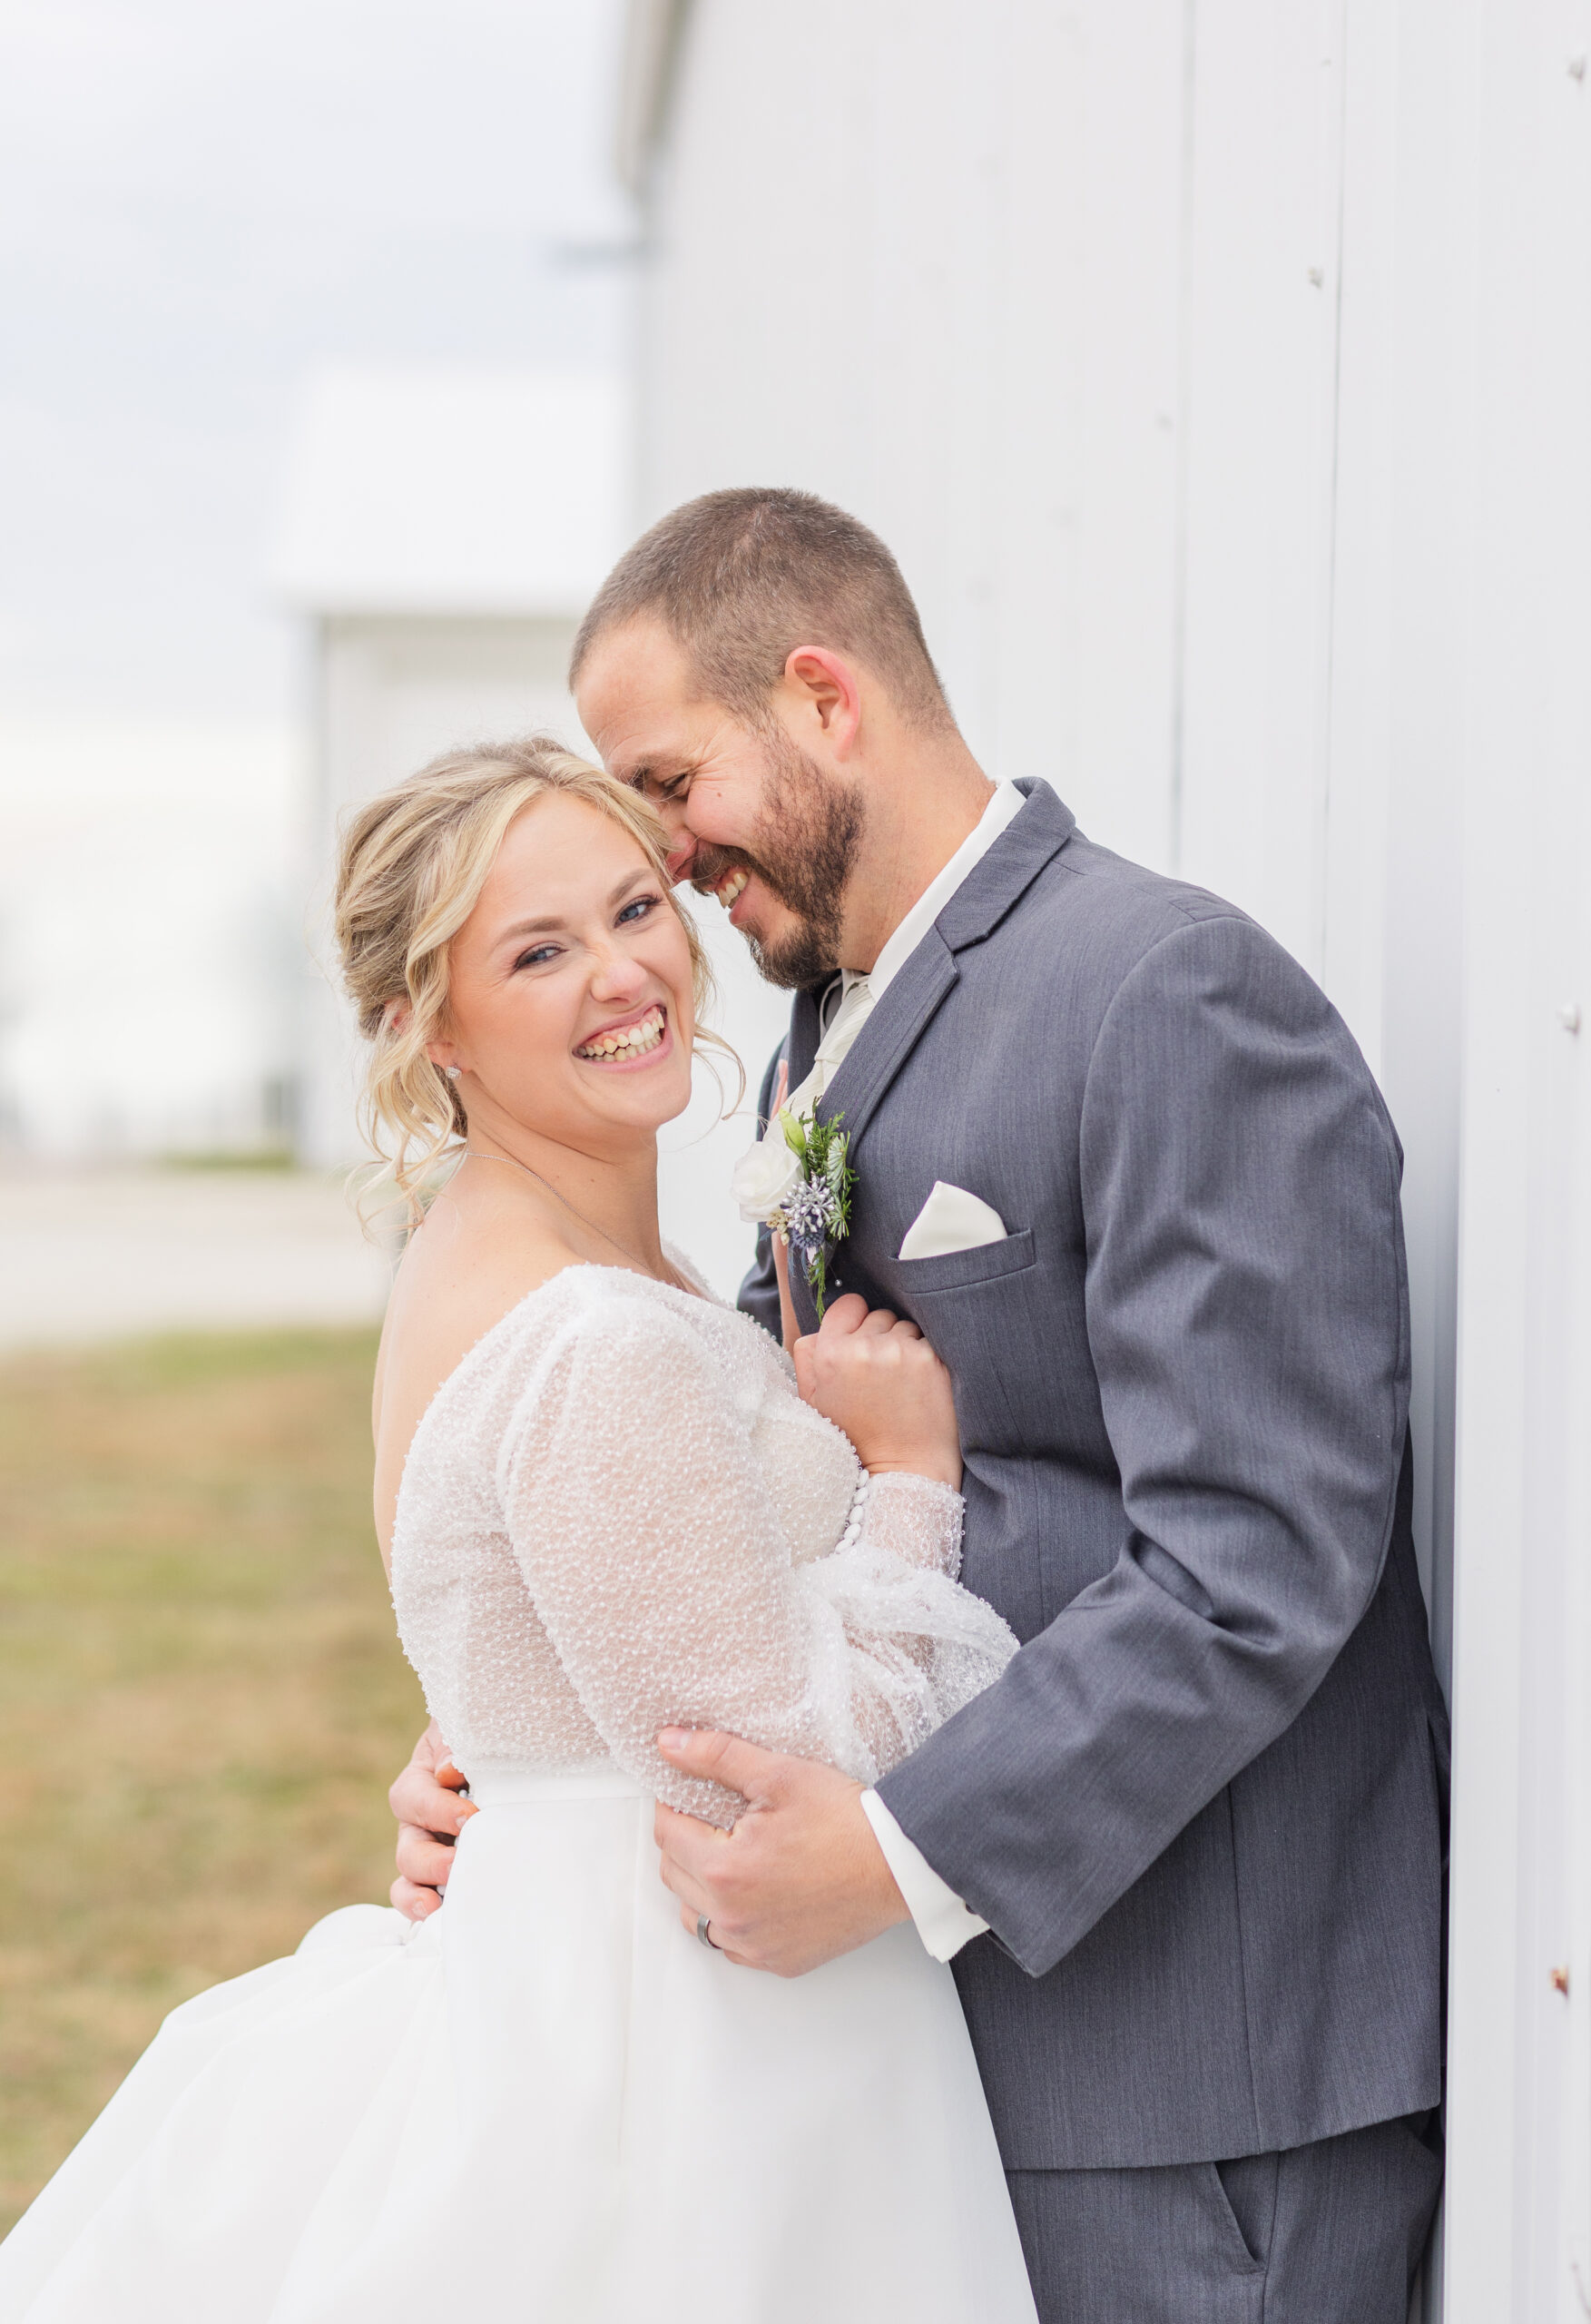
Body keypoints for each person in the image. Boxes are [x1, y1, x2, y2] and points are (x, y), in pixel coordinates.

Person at [385, 488, 1451, 2322]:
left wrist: (899, 1849)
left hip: (1193, 2071)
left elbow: (1261, 1555)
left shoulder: (1162, 991)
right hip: (967, 2051)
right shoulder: (825, 1037)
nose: (669, 860)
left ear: (819, 694)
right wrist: (526, 1758)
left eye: (672, 785)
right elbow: (733, 1482)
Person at [0, 741, 1038, 2323]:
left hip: (645, 1971)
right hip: (676, 2044)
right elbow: (765, 1768)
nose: (621, 974)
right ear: (424, 1026)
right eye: (536, 951)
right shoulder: (582, 1337)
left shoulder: (567, 1265)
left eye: (633, 909)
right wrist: (909, 1476)